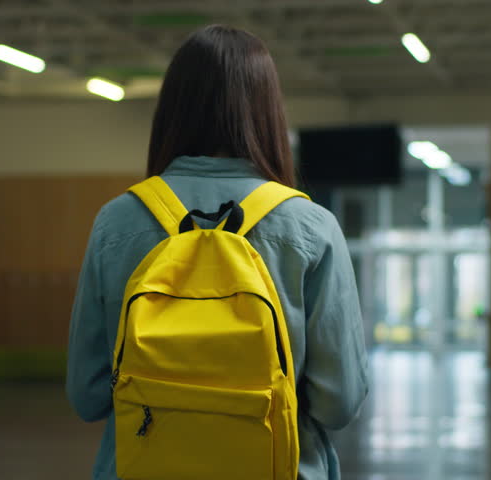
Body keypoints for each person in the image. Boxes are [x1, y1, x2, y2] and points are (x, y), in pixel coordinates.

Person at [66, 24, 369, 480]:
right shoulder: (311, 228)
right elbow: (338, 402)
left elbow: (86, 393)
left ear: (172, 110)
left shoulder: (117, 223)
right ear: (268, 112)